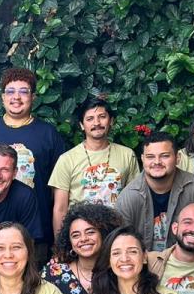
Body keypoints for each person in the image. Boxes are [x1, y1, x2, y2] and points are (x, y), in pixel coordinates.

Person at [0, 68, 65, 251]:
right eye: (10, 92)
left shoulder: (48, 134)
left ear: (33, 97)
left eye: (24, 92)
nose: (16, 97)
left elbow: (58, 189)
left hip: (36, 229)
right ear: (2, 97)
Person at [116, 132, 194, 253]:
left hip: (189, 262)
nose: (157, 162)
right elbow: (121, 242)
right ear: (143, 159)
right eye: (150, 157)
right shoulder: (129, 196)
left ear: (177, 158)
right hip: (144, 265)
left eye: (164, 156)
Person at [49, 99, 139, 232]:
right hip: (82, 235)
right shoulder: (67, 159)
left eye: (102, 117)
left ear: (111, 121)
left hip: (118, 233)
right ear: (81, 125)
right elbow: (60, 208)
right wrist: (60, 248)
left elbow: (135, 201)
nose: (96, 123)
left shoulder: (127, 155)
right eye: (90, 119)